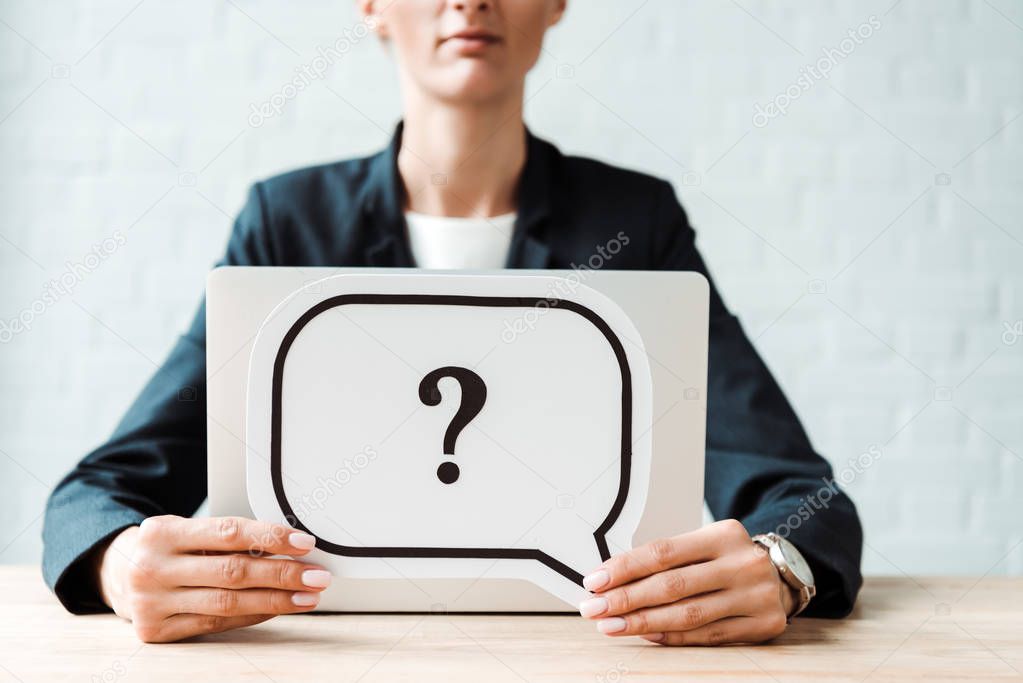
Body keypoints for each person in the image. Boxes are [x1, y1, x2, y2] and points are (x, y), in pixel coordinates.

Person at [43, 0, 863, 645]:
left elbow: (800, 493)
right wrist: (119, 565)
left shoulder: (633, 223)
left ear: (556, 3)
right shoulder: (288, 223)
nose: (469, 0)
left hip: (582, 658)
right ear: (370, 5)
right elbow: (100, 489)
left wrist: (780, 568)